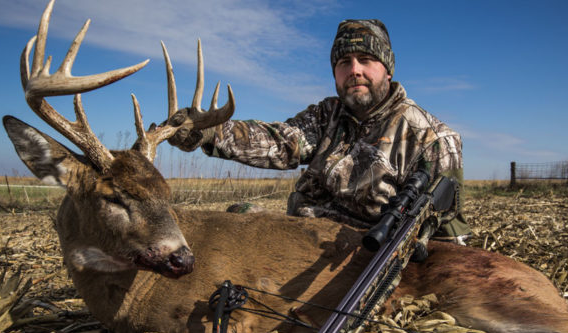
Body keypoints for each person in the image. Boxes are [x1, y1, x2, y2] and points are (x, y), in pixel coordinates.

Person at [169, 19, 470, 244]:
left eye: (366, 60)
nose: (354, 70)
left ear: (388, 69)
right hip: (300, 235)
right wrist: (212, 132)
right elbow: (280, 141)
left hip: (358, 256)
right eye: (344, 63)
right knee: (238, 213)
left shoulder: (434, 139)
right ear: (335, 73)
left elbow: (446, 234)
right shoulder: (327, 115)